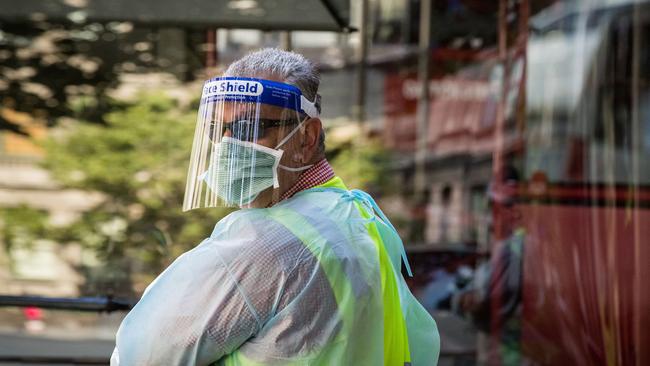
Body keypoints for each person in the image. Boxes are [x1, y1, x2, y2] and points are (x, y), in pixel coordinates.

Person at [111, 48, 440, 366]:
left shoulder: (267, 242)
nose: (228, 144)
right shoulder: (355, 218)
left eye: (249, 128)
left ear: (307, 137)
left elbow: (142, 356)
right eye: (218, 130)